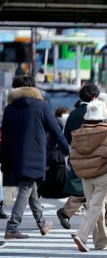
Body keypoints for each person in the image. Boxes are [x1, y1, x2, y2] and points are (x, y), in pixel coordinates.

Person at [1, 75, 70, 239]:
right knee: (26, 189)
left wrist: (4, 160)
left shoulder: (10, 108)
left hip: (15, 156)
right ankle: (12, 227)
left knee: (31, 189)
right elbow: (55, 130)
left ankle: (42, 223)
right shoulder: (41, 106)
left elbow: (5, 137)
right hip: (35, 155)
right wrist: (67, 149)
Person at [70, 100, 107, 252]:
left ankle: (101, 242)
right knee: (96, 206)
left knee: (95, 207)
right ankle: (82, 236)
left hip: (85, 175)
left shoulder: (79, 133)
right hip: (103, 173)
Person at [57, 84, 100, 230]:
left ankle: (67, 213)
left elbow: (66, 136)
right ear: (95, 97)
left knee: (87, 187)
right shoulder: (95, 112)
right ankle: (99, 222)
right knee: (98, 187)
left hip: (77, 154)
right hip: (94, 155)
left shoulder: (73, 114)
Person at [37, 107, 71, 199]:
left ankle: (42, 192)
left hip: (51, 155)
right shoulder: (61, 124)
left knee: (51, 175)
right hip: (58, 155)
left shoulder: (51, 122)